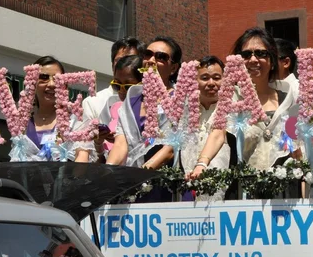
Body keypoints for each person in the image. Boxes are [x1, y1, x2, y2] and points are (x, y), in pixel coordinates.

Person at [188, 28, 302, 181]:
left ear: (273, 61)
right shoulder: (232, 96)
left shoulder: (289, 96)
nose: (253, 60)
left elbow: (300, 142)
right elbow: (218, 133)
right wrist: (202, 163)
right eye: (246, 55)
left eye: (261, 53)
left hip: (284, 188)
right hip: (243, 188)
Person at [106, 36, 182, 170]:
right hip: (134, 177)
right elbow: (120, 144)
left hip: (166, 177)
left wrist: (143, 173)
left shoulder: (180, 99)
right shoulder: (131, 101)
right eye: (147, 55)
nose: (151, 61)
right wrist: (107, 172)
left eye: (161, 57)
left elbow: (171, 148)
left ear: (173, 68)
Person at [82, 37, 143, 156]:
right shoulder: (93, 102)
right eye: (120, 60)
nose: (125, 64)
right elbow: (88, 152)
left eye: (131, 59)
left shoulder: (152, 104)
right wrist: (99, 143)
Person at [181, 56, 231, 200]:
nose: (211, 83)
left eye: (216, 78)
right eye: (204, 78)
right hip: (187, 183)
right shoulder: (185, 109)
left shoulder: (231, 105)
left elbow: (218, 134)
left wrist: (202, 163)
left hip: (223, 188)